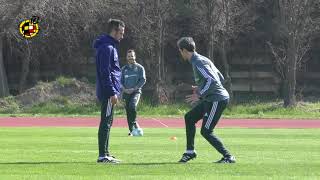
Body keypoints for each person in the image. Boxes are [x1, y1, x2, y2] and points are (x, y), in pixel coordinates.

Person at [176, 37, 236, 163]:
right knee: (189, 117)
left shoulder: (198, 62)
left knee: (206, 131)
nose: (180, 53)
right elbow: (219, 76)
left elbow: (211, 80)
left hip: (217, 99)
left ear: (184, 50)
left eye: (180, 51)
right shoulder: (202, 59)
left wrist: (200, 93)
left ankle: (228, 157)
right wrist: (199, 88)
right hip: (211, 98)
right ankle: (190, 152)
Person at [93, 19, 125, 163]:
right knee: (105, 122)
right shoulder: (107, 48)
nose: (122, 36)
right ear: (114, 31)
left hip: (110, 91)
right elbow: (105, 72)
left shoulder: (110, 46)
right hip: (108, 93)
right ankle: (102, 155)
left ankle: (106, 153)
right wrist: (112, 92)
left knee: (108, 121)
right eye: (121, 33)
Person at [121, 49, 146, 136]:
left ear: (135, 56)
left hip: (136, 92)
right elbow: (120, 82)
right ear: (126, 58)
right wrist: (124, 89)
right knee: (128, 111)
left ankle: (135, 123)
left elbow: (143, 80)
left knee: (132, 106)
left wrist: (134, 88)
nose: (131, 57)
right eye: (129, 56)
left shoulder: (140, 68)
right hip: (126, 93)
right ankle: (131, 131)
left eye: (132, 56)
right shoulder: (123, 69)